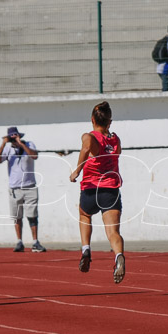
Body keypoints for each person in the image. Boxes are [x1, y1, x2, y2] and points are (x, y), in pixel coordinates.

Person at [69, 101, 126, 284]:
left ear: (92, 119)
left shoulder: (89, 136)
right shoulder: (115, 140)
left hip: (91, 189)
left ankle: (86, 249)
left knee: (84, 215)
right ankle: (118, 256)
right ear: (110, 122)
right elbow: (114, 153)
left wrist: (77, 170)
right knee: (112, 232)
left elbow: (87, 148)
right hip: (110, 190)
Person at [0, 126, 46, 253]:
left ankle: (35, 241)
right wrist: (3, 144)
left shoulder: (28, 144)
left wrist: (21, 144)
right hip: (15, 188)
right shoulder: (7, 148)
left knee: (32, 215)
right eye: (12, 139)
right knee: (17, 216)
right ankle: (19, 241)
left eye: (15, 137)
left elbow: (34, 156)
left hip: (30, 186)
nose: (14, 141)